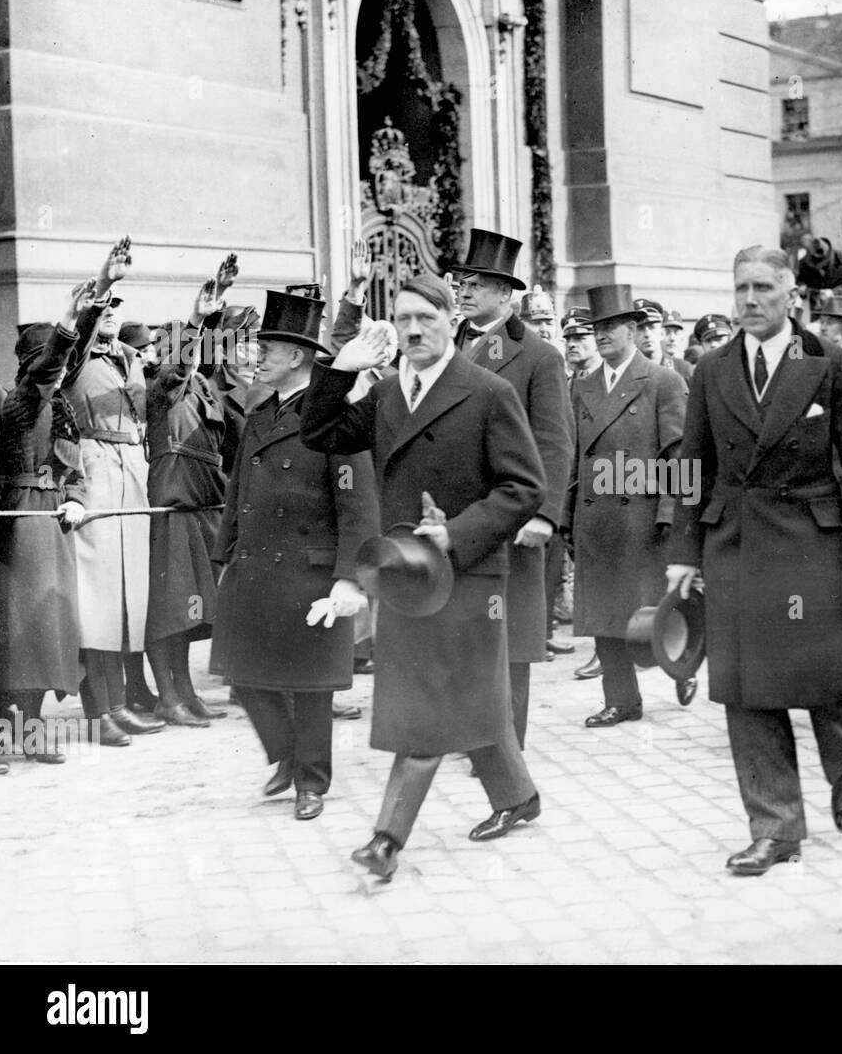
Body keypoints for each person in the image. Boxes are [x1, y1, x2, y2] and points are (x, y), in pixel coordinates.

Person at [300, 271, 546, 881]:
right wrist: (339, 366)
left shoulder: (487, 393)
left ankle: (386, 840)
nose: (413, 330)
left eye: (426, 319)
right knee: (462, 696)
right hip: (407, 576)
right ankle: (517, 797)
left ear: (450, 323)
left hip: (468, 574)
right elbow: (321, 432)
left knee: (427, 707)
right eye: (403, 319)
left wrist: (458, 532)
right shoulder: (384, 394)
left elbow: (524, 487)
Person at [666, 245, 842, 877]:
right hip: (735, 542)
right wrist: (683, 553)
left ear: (792, 294)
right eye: (740, 289)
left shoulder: (832, 364)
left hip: (812, 540)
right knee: (747, 691)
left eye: (762, 288)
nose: (750, 300)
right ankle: (775, 827)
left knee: (819, 682)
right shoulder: (712, 370)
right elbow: (692, 468)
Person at [210, 289, 379, 820]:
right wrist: (224, 558)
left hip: (310, 571)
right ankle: (284, 756)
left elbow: (357, 505)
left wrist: (348, 578)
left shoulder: (334, 415)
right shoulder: (261, 413)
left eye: (268, 347)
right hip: (255, 567)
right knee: (244, 676)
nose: (257, 355)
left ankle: (311, 782)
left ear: (298, 357)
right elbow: (238, 491)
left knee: (309, 687)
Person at [452, 229, 573, 750]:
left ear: (507, 294)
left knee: (508, 636)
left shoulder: (538, 355)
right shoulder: (447, 342)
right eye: (462, 281)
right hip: (452, 513)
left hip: (509, 513)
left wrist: (544, 514)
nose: (465, 290)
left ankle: (504, 744)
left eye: (477, 283)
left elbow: (554, 440)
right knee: (458, 624)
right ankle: (465, 731)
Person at [565, 284, 689, 727]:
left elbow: (680, 457)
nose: (601, 335)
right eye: (596, 328)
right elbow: (575, 455)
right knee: (604, 616)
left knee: (648, 613)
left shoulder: (663, 382)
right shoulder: (583, 386)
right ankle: (622, 700)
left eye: (612, 326)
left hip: (642, 516)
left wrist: (671, 514)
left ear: (634, 331)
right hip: (596, 517)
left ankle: (682, 662)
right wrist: (566, 516)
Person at [58, 238, 165, 746]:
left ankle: (120, 704)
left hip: (131, 470)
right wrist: (104, 284)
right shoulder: (76, 359)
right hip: (96, 466)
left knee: (128, 596)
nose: (109, 315)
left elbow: (178, 379)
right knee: (97, 597)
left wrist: (204, 324)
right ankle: (98, 711)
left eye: (115, 309)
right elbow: (75, 337)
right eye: (103, 309)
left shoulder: (127, 358)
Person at [0, 287, 93, 765]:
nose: (56, 377)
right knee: (24, 631)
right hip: (22, 522)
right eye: (47, 369)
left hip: (54, 522)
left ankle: (29, 731)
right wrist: (71, 319)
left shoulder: (62, 410)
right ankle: (16, 730)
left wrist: (76, 499)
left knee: (48, 630)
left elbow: (76, 469)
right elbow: (50, 368)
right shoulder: (18, 406)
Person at [141, 274, 232, 728]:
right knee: (169, 606)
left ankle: (186, 692)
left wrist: (215, 311)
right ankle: (167, 696)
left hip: (203, 504)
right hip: (172, 504)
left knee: (192, 604)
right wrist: (197, 319)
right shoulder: (161, 388)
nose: (192, 357)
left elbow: (206, 365)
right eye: (184, 349)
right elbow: (177, 370)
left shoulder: (202, 388)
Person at [796, 236, 842, 314]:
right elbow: (800, 281)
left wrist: (833, 292)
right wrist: (802, 288)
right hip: (818, 308)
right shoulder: (804, 262)